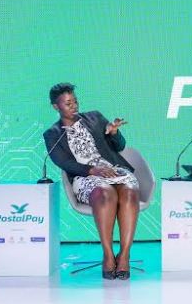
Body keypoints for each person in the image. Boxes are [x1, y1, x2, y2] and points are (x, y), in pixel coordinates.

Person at [43, 83, 139, 280]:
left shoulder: (94, 118)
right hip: (85, 176)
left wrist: (114, 133)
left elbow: (119, 146)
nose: (74, 105)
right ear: (56, 106)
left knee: (129, 192)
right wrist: (92, 170)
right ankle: (108, 255)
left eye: (75, 101)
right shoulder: (52, 134)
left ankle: (125, 256)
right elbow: (63, 162)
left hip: (113, 170)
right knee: (105, 193)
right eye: (68, 103)